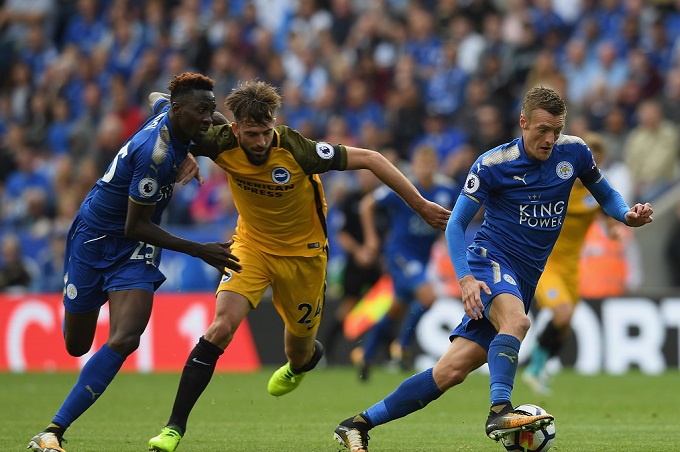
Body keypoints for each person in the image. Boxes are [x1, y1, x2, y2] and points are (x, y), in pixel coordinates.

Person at [333, 86, 654, 452]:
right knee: (517, 323)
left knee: (448, 372)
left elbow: (606, 193)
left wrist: (627, 214)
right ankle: (500, 410)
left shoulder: (575, 152)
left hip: (525, 277)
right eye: (542, 130)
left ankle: (357, 424)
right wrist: (466, 278)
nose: (550, 139)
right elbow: (455, 225)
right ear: (523, 123)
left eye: (556, 130)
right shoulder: (492, 165)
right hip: (491, 261)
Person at [147, 80, 451, 452]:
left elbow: (371, 158)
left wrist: (419, 204)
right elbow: (160, 103)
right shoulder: (216, 140)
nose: (260, 142)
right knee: (220, 328)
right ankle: (174, 428)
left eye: (266, 132)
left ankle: (301, 364)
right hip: (251, 247)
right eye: (252, 134)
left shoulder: (297, 148)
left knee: (299, 352)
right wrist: (184, 149)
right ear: (236, 128)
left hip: (304, 258)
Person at [27, 72, 242, 452]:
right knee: (76, 346)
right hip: (95, 239)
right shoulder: (155, 154)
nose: (209, 119)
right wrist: (199, 249)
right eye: (202, 111)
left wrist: (210, 133)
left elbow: (155, 93)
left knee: (126, 337)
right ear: (178, 112)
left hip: (133, 252)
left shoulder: (173, 114)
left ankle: (53, 431)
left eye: (212, 109)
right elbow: (136, 224)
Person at [522, 131, 622, 395]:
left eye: (595, 163)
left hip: (571, 267)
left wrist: (614, 228)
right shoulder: (557, 182)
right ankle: (533, 367)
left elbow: (609, 213)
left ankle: (540, 366)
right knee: (562, 313)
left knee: (564, 326)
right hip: (546, 264)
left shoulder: (595, 193)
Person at [350, 145, 459, 380]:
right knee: (428, 296)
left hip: (421, 257)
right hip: (399, 254)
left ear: (436, 165)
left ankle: (365, 354)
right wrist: (371, 238)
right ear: (415, 165)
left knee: (395, 310)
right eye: (422, 164)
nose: (426, 169)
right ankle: (402, 345)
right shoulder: (404, 187)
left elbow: (454, 219)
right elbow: (367, 204)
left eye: (431, 164)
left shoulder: (446, 190)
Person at [322, 168, 385, 365]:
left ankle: (387, 355)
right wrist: (359, 252)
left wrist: (379, 255)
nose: (367, 178)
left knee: (384, 307)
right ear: (358, 178)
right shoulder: (350, 200)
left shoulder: (383, 200)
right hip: (356, 263)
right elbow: (341, 233)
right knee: (347, 307)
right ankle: (326, 352)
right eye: (364, 175)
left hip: (378, 263)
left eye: (371, 175)